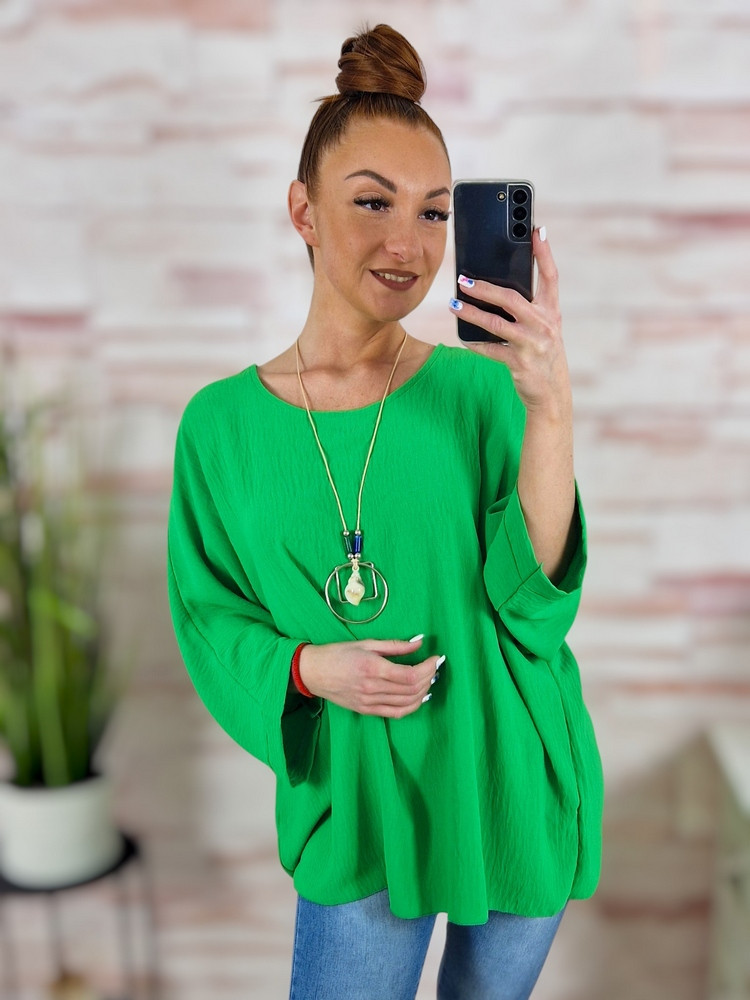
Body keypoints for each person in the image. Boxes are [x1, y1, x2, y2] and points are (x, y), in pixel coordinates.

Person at [167, 23, 603, 1000]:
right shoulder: (221, 426)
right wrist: (308, 667)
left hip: (508, 781)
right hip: (359, 805)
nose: (408, 244)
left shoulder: (484, 390)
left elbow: (535, 605)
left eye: (434, 212)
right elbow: (208, 613)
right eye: (372, 201)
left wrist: (550, 405)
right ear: (304, 209)